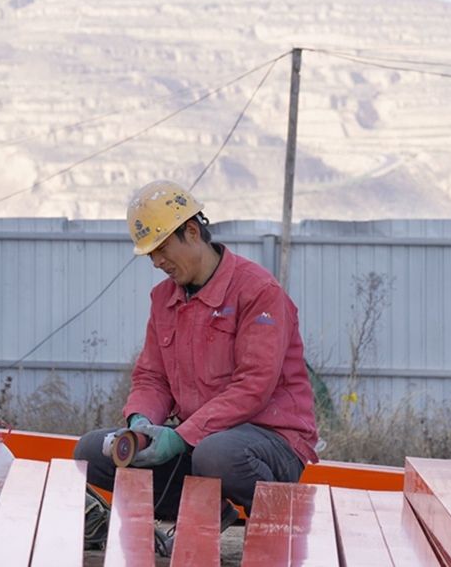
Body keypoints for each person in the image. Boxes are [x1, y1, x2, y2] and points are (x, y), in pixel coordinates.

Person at [74, 179, 319, 543]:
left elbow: (253, 387)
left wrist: (181, 438)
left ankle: (279, 525)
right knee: (93, 452)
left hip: (269, 443)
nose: (157, 262)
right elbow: (152, 378)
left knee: (216, 454)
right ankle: (207, 511)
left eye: (161, 249)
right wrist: (141, 422)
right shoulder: (164, 300)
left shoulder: (258, 292)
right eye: (150, 255)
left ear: (191, 231)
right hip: (196, 440)